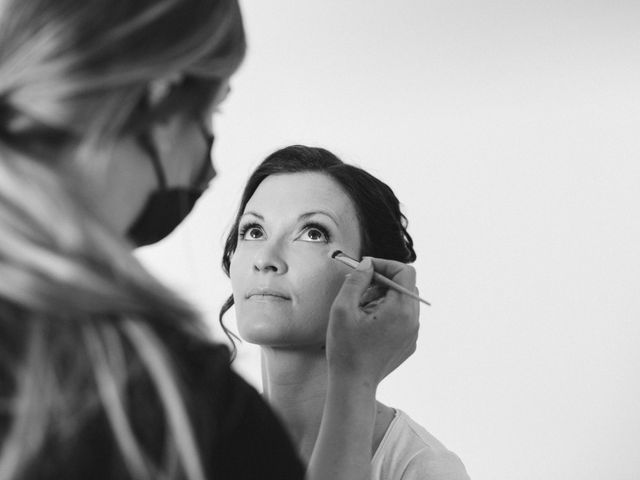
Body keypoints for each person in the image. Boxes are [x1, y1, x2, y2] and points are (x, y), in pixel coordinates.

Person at [0, 2, 419, 480]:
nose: (211, 163)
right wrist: (355, 384)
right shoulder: (172, 402)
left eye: (312, 232)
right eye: (211, 113)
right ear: (160, 102)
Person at [219, 145, 471, 480]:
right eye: (253, 231)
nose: (265, 257)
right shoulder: (196, 440)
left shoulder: (420, 467)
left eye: (313, 234)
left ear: (372, 281)